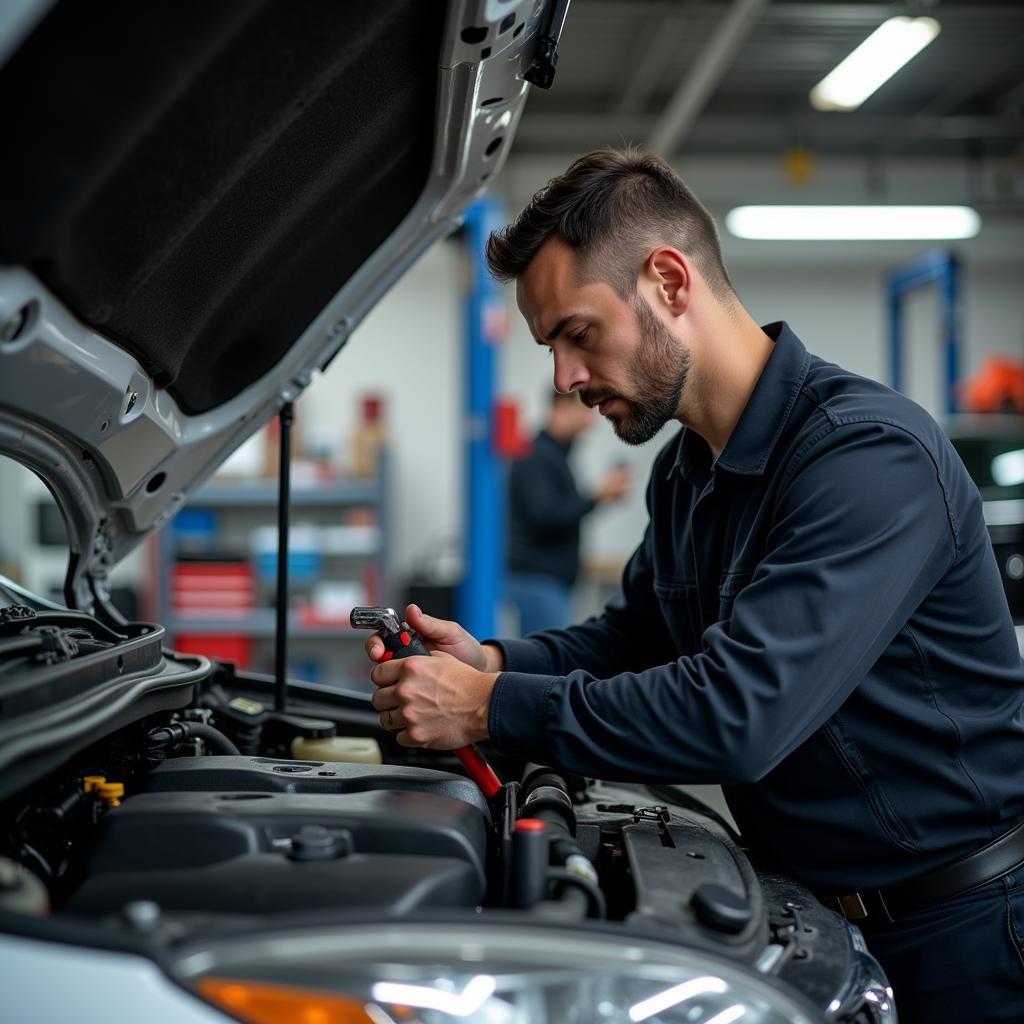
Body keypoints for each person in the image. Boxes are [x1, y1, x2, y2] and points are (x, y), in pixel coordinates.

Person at [364, 148, 1024, 1021]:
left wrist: (490, 708)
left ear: (669, 281)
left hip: (963, 935)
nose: (562, 378)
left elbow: (738, 715)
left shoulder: (868, 458)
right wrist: (488, 657)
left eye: (577, 333)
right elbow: (631, 637)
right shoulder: (686, 473)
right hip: (823, 915)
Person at [506, 390, 630, 634]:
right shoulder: (537, 455)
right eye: (584, 410)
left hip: (547, 583)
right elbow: (544, 515)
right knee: (540, 666)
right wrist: (596, 496)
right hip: (538, 582)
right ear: (562, 408)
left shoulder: (552, 455)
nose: (590, 421)